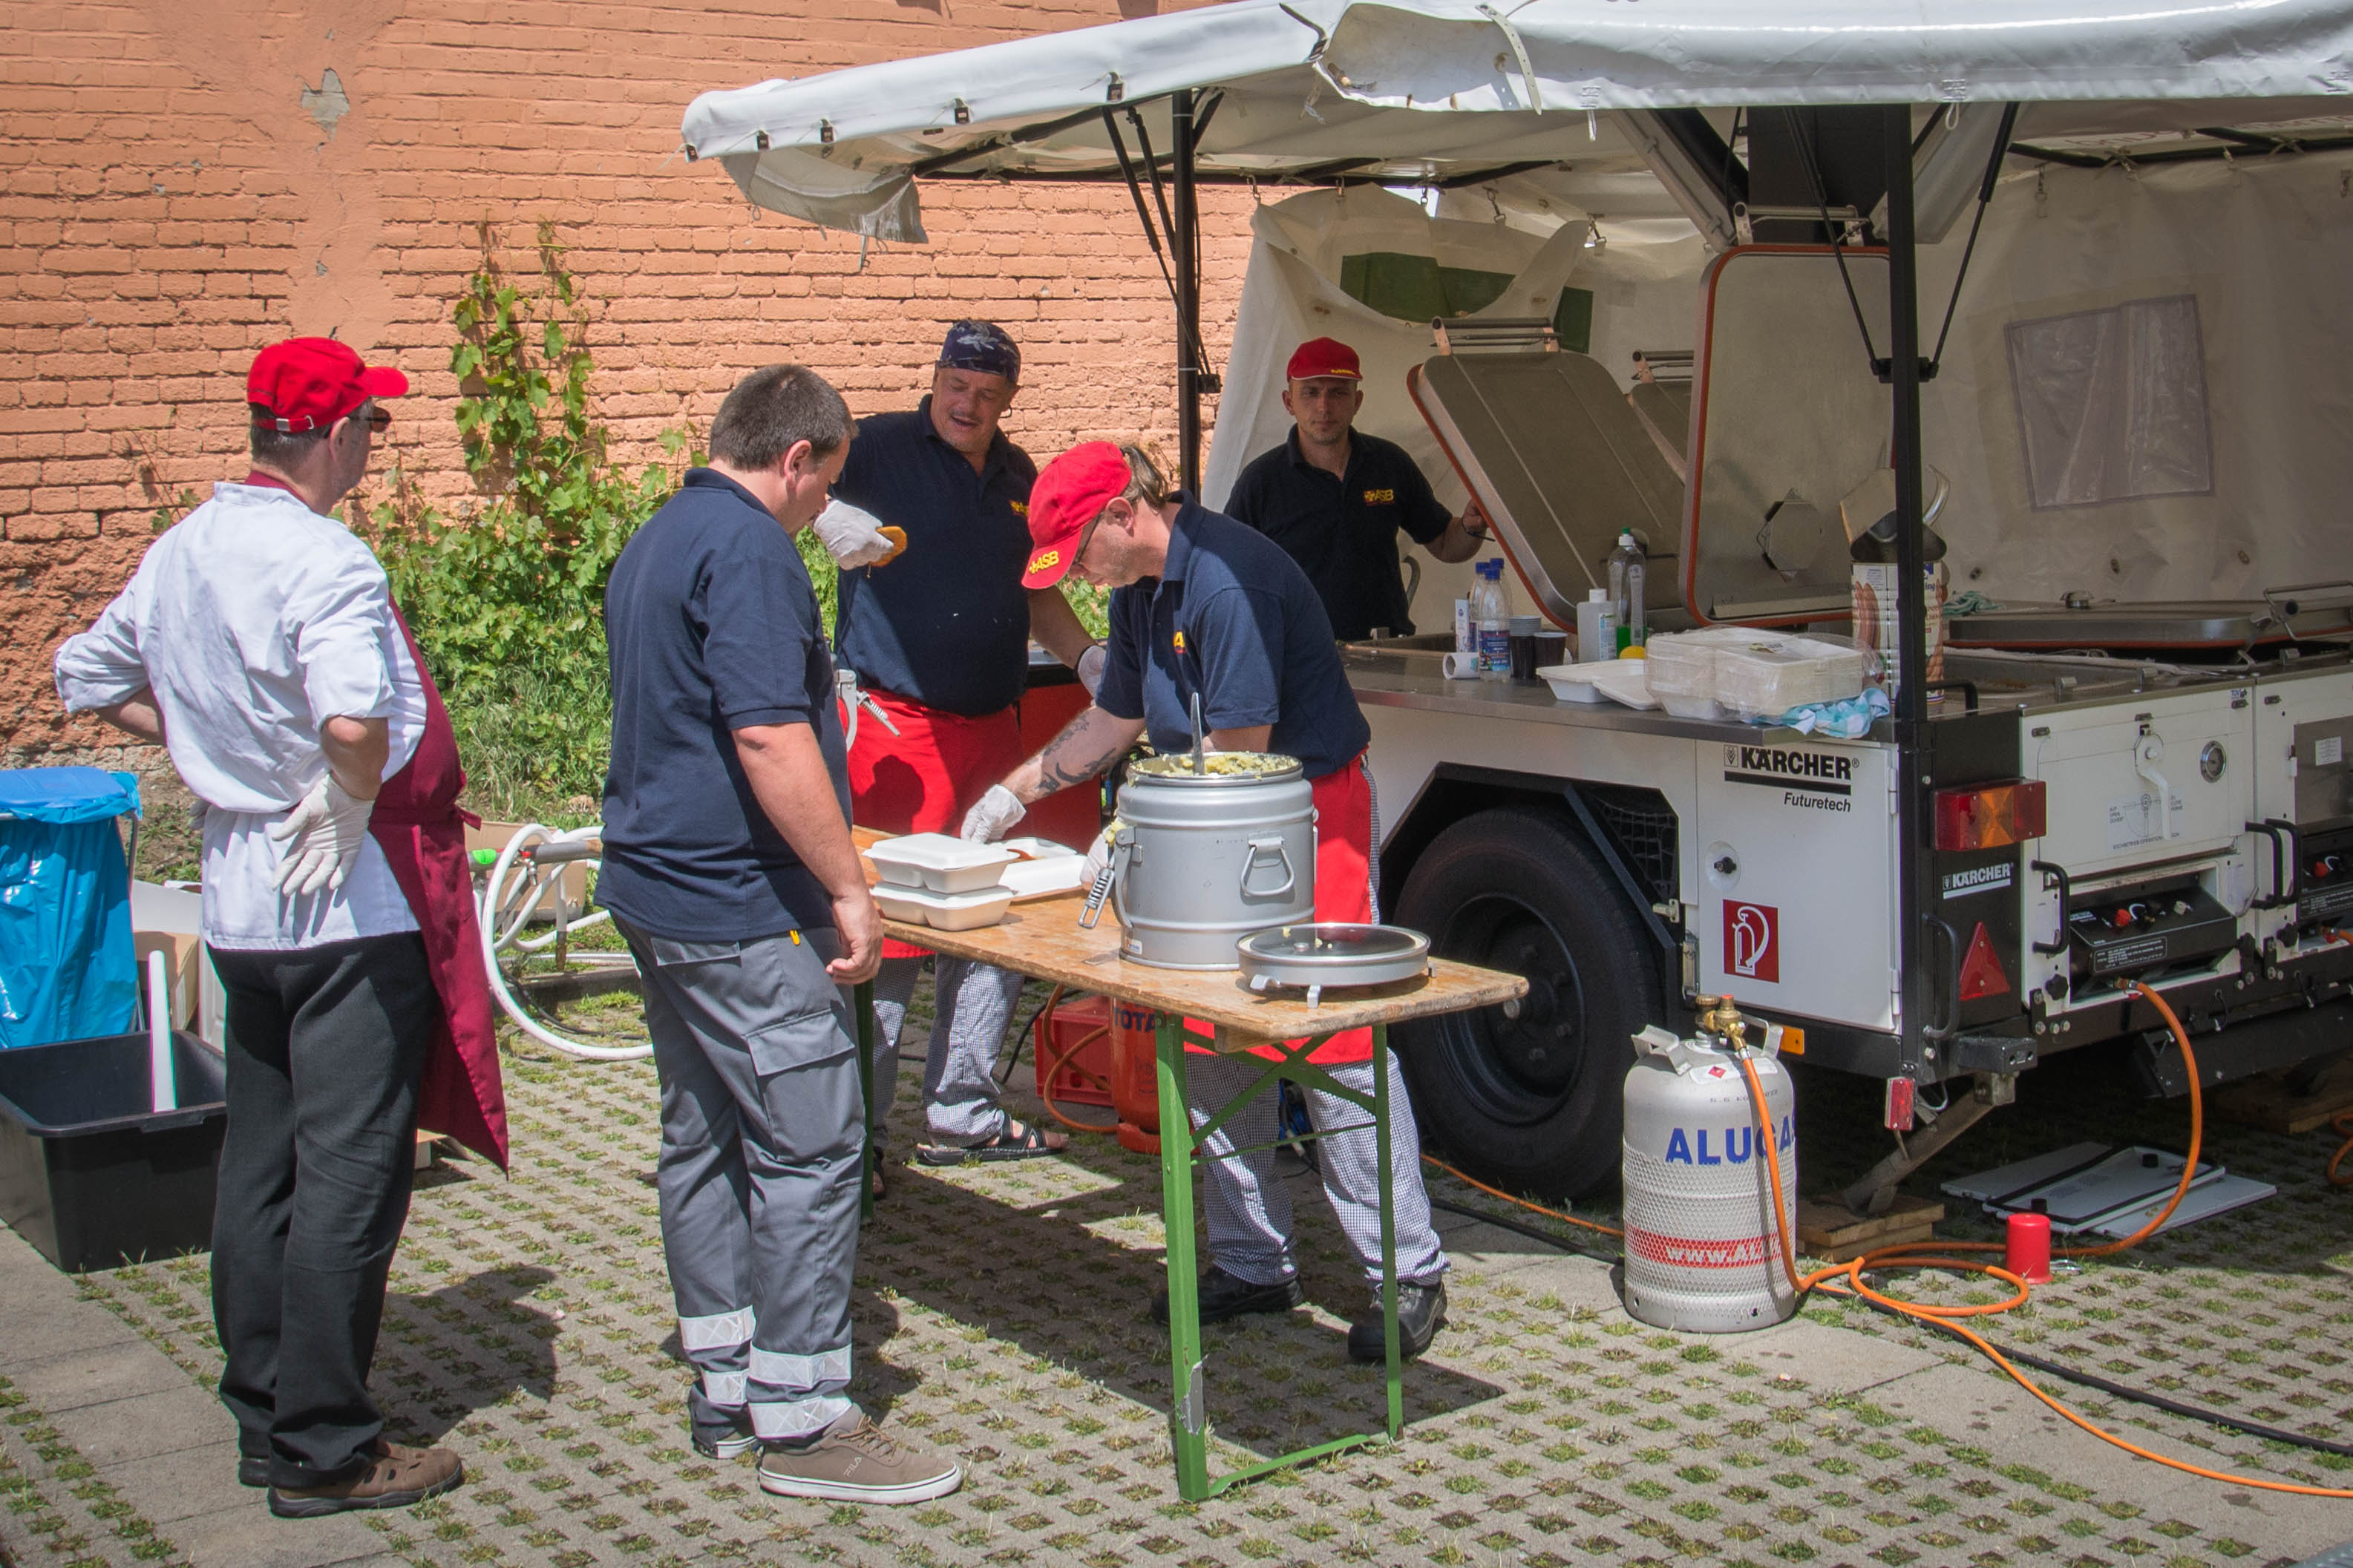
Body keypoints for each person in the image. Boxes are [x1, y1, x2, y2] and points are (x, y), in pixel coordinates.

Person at [53, 337, 511, 1517]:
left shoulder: (183, 547)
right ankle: (324, 1447)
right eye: (373, 428)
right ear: (340, 432)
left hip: (242, 902)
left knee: (260, 1164)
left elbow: (84, 674)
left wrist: (210, 748)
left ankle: (264, 1412)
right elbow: (356, 722)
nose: (374, 448)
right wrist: (337, 792)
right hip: (345, 906)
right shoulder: (327, 558)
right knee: (350, 1175)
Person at [962, 442, 1451, 1360]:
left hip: (1302, 817)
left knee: (1332, 1040)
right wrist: (1011, 794)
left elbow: (1240, 755)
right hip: (1209, 818)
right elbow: (1115, 718)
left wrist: (1133, 824)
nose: (1074, 577)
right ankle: (1253, 1259)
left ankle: (1408, 1271)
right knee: (1203, 1026)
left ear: (1121, 515)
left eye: (1077, 554)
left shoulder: (1228, 585)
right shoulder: (1138, 589)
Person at [599, 364, 960, 1504]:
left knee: (704, 1134)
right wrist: (848, 886)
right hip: (740, 903)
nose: (824, 510)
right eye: (826, 484)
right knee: (811, 1140)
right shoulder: (751, 551)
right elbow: (767, 735)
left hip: (658, 892)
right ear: (795, 459)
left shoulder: (660, 535)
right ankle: (803, 1421)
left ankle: (727, 1384)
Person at [810, 321, 1100, 1169]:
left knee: (997, 922)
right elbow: (784, 478)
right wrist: (824, 516)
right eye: (955, 386)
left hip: (994, 734)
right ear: (934, 379)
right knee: (890, 934)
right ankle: (855, 1139)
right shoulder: (875, 446)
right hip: (895, 731)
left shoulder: (1018, 477)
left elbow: (1035, 591)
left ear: (1009, 398)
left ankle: (963, 1111)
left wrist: (1088, 657)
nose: (966, 404)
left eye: (986, 392)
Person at [1224, 337, 1488, 641]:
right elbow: (1225, 570)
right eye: (1310, 392)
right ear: (1289, 402)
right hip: (1297, 654)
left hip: (1385, 649)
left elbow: (1444, 542)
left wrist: (1471, 526)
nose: (1324, 407)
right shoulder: (1261, 481)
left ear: (1357, 402)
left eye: (1338, 393)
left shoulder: (1390, 463)